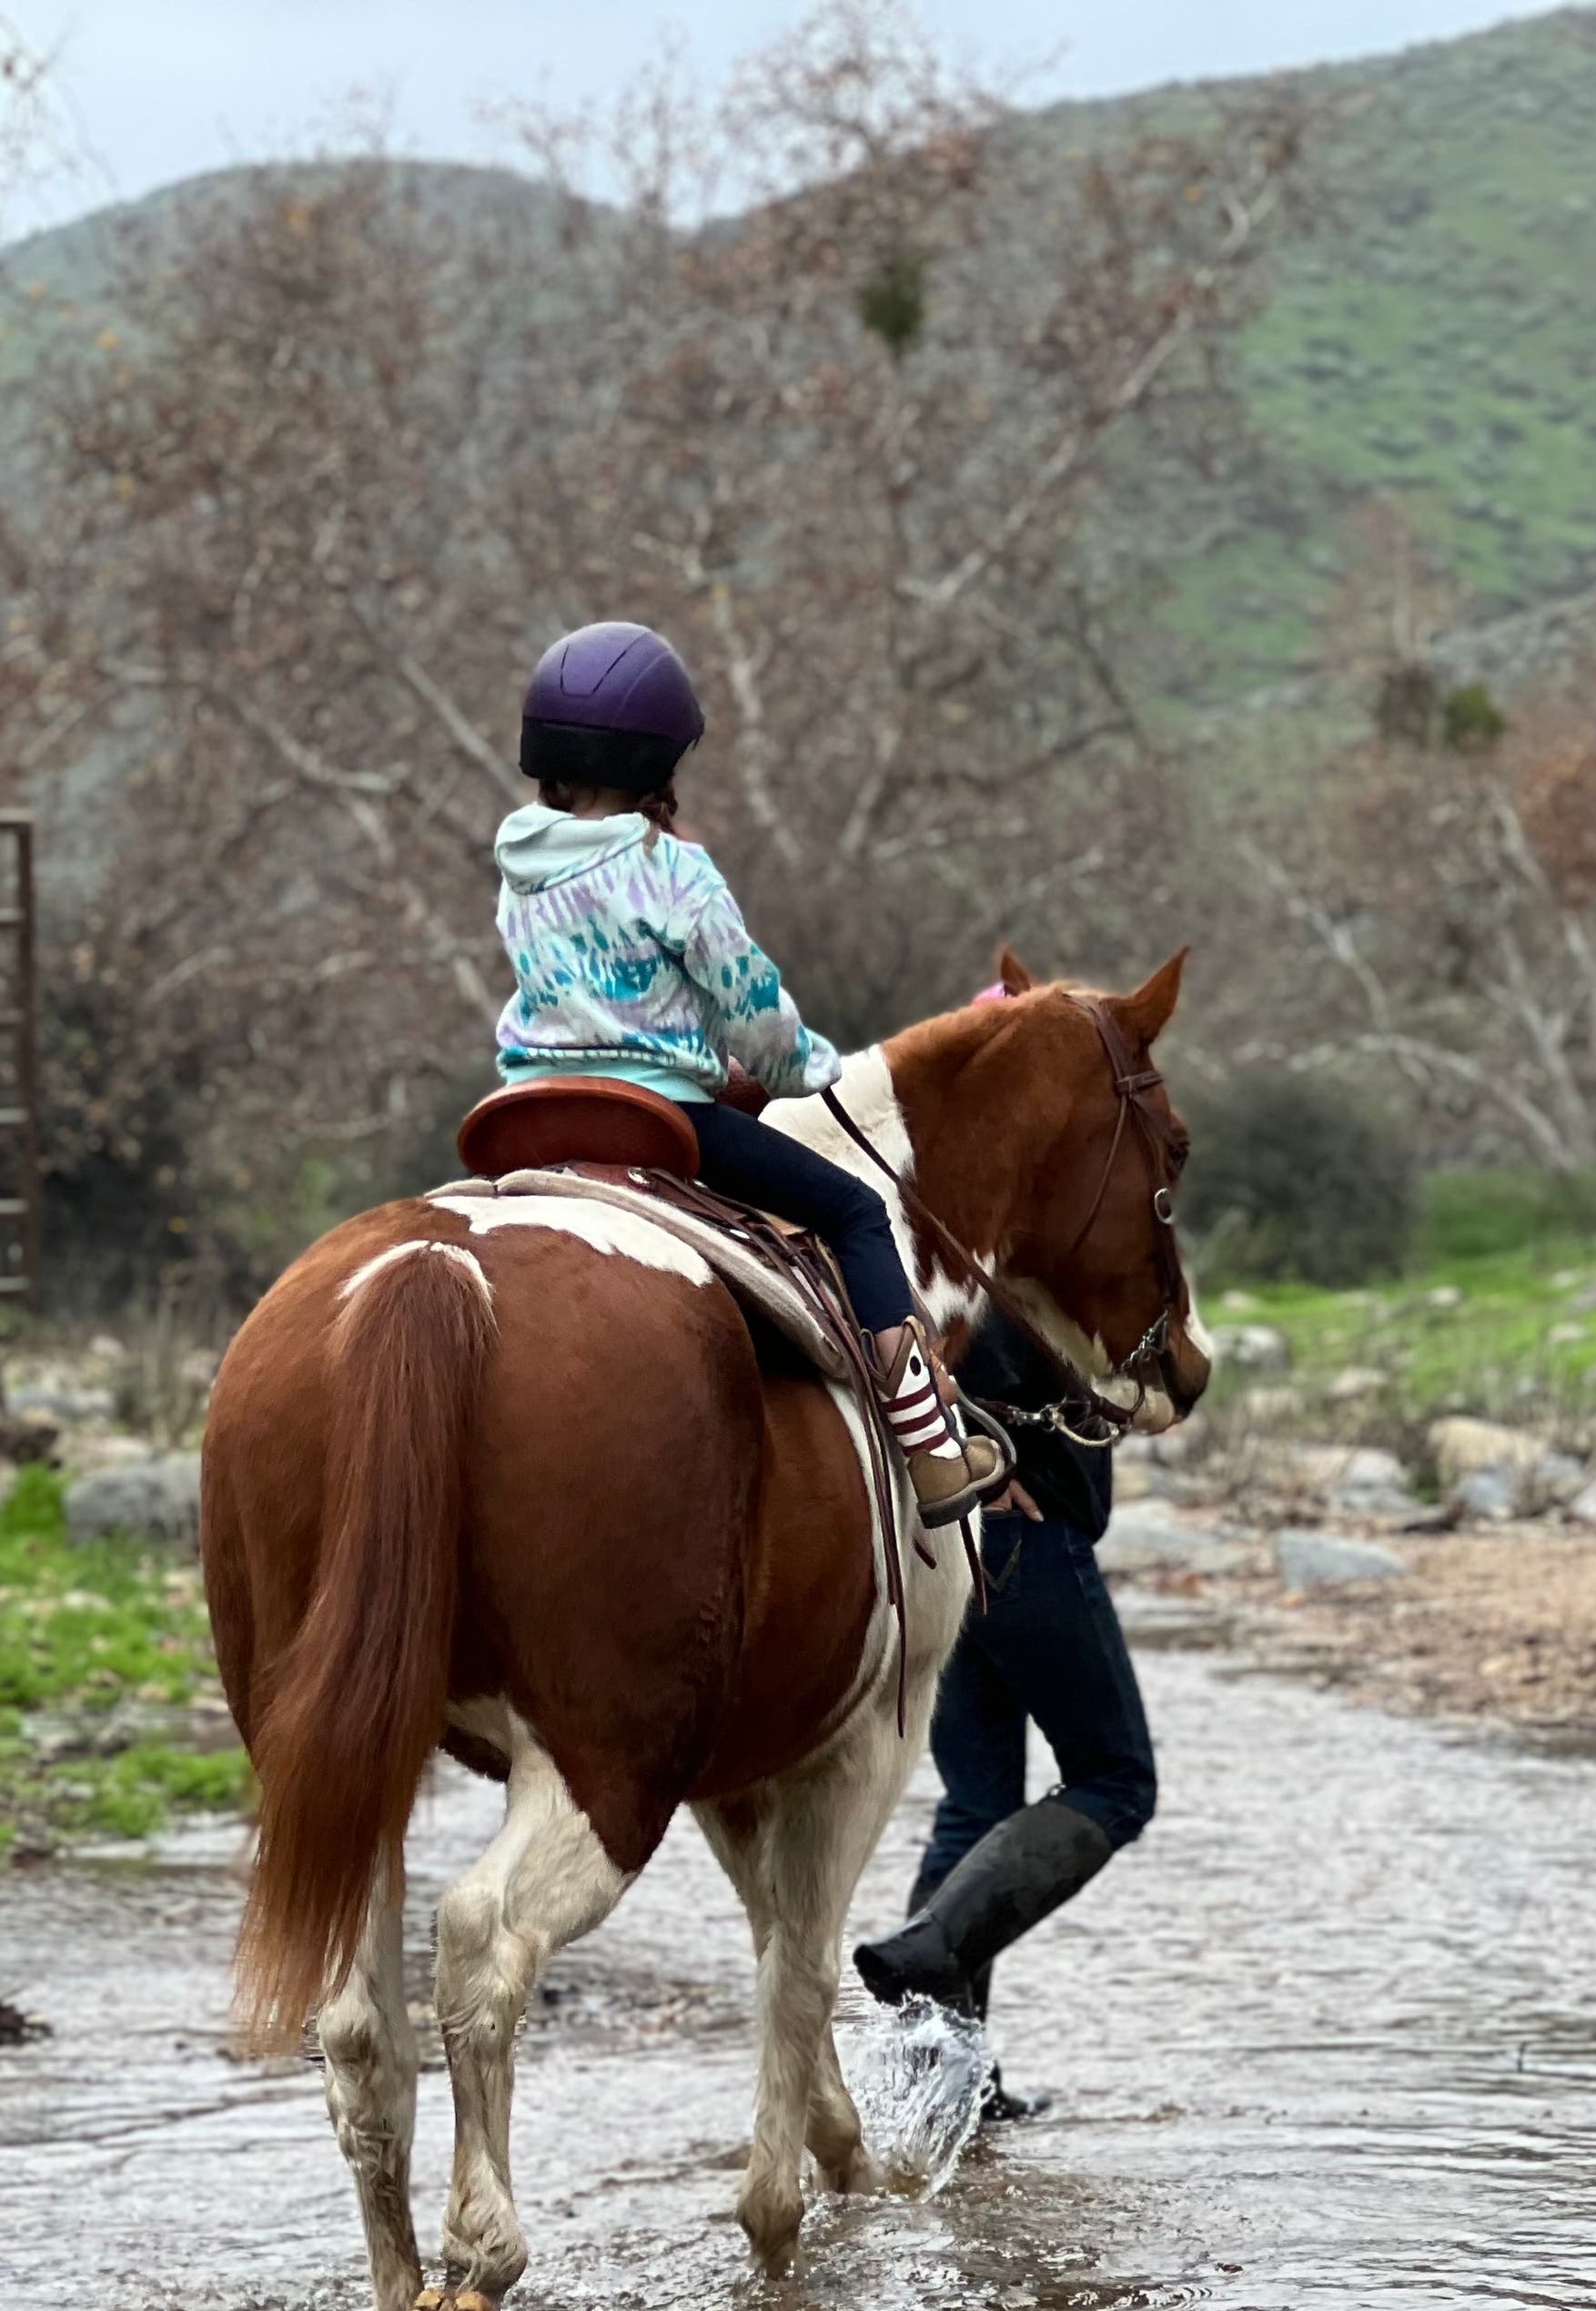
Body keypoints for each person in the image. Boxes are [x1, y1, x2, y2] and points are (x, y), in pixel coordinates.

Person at [491, 617, 1001, 1528]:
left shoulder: (519, 864)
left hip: (528, 1108)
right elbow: (755, 1013)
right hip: (657, 1115)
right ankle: (928, 1446)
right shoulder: (672, 869)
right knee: (853, 1212)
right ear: (660, 762)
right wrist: (804, 1067)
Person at [852, 1297, 1157, 2116]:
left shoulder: (924, 1246)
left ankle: (947, 2090)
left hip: (941, 1545)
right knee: (1117, 1780)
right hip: (1025, 1539)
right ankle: (928, 1949)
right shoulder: (1002, 1250)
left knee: (975, 1804)